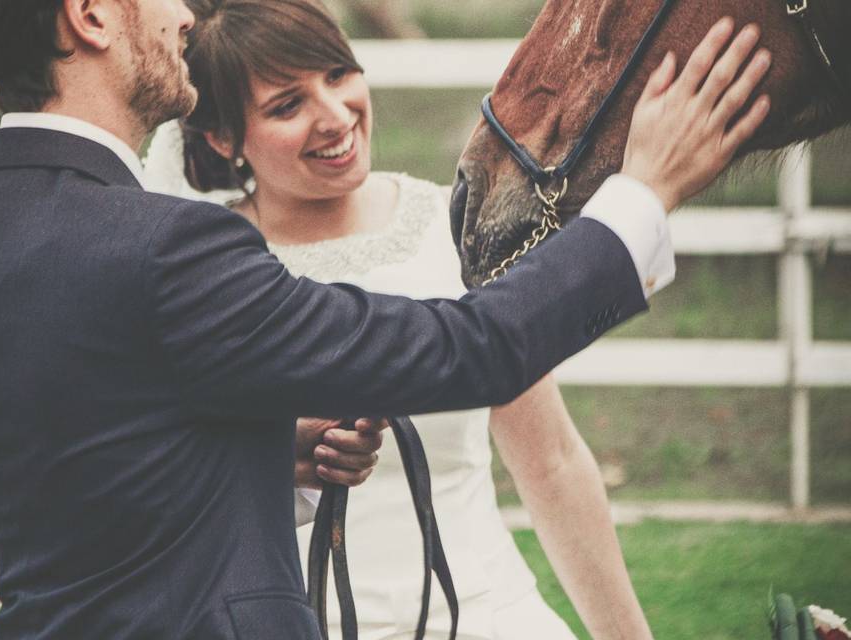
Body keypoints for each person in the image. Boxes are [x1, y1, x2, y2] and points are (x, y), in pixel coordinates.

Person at [0, 0, 770, 637]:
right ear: (89, 15)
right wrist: (643, 196)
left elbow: (91, 469)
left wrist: (271, 450)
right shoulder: (169, 248)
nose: (183, 19)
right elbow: (469, 346)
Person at [142, 0, 664, 637]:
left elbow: (551, 460)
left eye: (338, 74)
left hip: (482, 615)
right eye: (287, 105)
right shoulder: (200, 268)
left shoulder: (454, 230)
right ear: (223, 137)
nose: (335, 117)